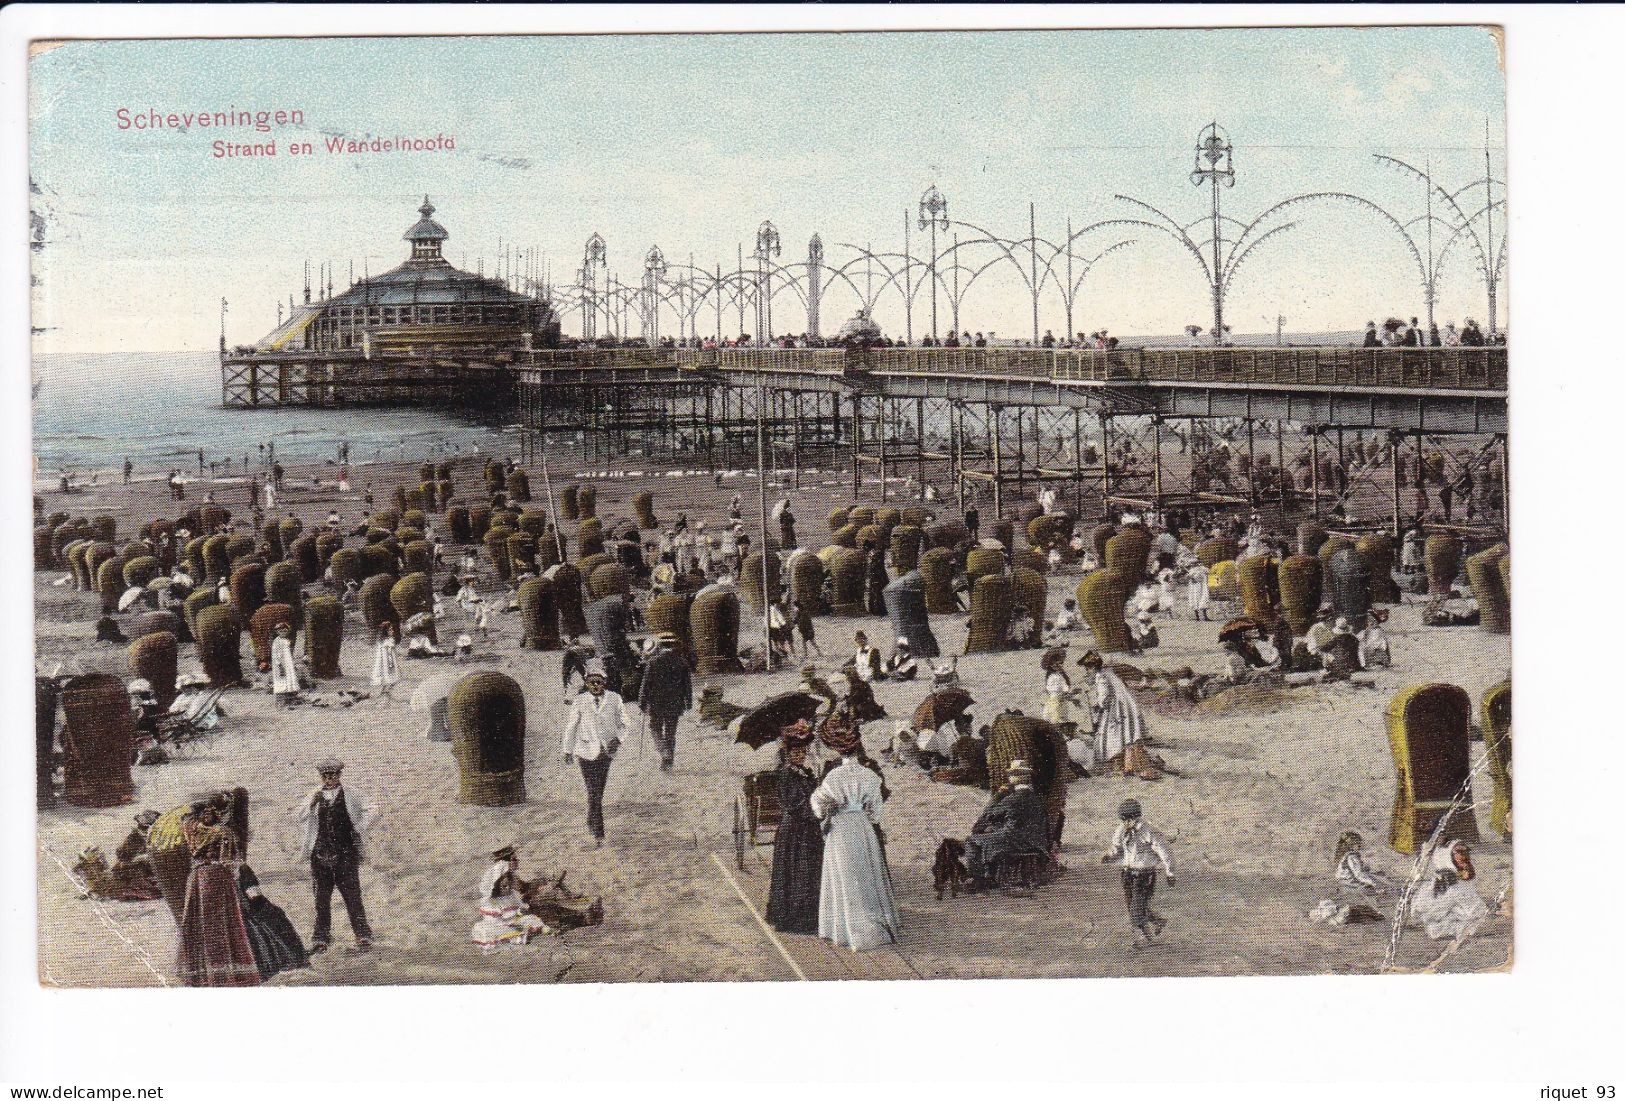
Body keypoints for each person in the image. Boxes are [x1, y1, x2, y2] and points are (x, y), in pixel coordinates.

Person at [810, 718, 901, 952]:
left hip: (841, 826)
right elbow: (876, 812)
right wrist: (863, 813)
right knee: (866, 871)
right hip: (861, 825)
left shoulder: (833, 777)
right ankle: (875, 923)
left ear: (838, 751)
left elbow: (818, 805)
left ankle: (845, 927)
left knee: (844, 872)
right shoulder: (870, 775)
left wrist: (831, 809)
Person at [177, 794, 261, 985]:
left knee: (205, 923)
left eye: (210, 812)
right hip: (216, 879)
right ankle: (221, 972)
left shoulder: (191, 830)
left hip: (199, 879)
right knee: (220, 924)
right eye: (205, 813)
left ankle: (204, 973)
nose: (207, 816)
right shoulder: (222, 832)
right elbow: (228, 861)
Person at [297, 759, 373, 953]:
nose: (329, 779)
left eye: (333, 775)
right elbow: (297, 816)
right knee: (321, 898)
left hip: (345, 853)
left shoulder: (351, 793)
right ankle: (321, 937)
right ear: (321, 777)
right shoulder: (314, 795)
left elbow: (373, 808)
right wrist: (310, 806)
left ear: (339, 775)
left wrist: (359, 826)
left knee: (352, 895)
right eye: (325, 776)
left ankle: (363, 934)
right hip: (320, 854)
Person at [765, 721, 825, 935]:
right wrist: (818, 811)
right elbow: (794, 805)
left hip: (808, 830)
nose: (800, 755)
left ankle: (810, 915)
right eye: (795, 752)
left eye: (802, 751)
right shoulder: (785, 776)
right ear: (787, 753)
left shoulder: (805, 772)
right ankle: (795, 918)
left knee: (809, 872)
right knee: (797, 871)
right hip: (794, 831)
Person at [561, 662, 630, 845]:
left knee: (598, 791)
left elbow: (624, 724)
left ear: (604, 683)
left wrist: (618, 739)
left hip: (605, 753)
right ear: (586, 683)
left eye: (599, 682)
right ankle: (599, 831)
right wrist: (567, 750)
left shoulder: (614, 699)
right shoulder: (580, 700)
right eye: (592, 682)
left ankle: (591, 818)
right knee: (593, 791)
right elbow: (571, 726)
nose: (595, 686)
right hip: (584, 752)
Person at [964, 760, 1052, 884]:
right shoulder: (1038, 799)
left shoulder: (1011, 799)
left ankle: (978, 879)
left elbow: (987, 817)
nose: (1009, 777)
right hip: (1037, 843)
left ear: (1015, 777)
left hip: (1015, 842)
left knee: (971, 840)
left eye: (1011, 774)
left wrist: (998, 795)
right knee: (994, 835)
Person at [1102, 798, 1174, 947]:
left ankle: (1141, 939)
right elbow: (1117, 848)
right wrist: (1109, 855)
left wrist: (1170, 872)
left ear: (1136, 817)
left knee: (1136, 908)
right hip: (1127, 873)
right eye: (1123, 820)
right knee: (1133, 907)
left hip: (1145, 874)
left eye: (1128, 819)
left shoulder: (1149, 831)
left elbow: (1165, 851)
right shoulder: (1121, 830)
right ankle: (1157, 922)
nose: (1125, 823)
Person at [237, 862, 312, 981]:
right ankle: (294, 959)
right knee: (276, 917)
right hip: (249, 912)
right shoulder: (240, 869)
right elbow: (254, 896)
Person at [1080, 650, 1150, 776]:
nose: (1087, 671)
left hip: (1117, 708)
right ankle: (1128, 763)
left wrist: (1098, 705)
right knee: (1127, 734)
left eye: (1088, 669)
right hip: (1126, 705)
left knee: (1113, 734)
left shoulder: (1101, 676)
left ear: (1093, 667)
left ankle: (1119, 763)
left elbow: (1104, 695)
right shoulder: (1109, 672)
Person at [1408, 839, 1489, 941]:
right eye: (1460, 852)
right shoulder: (1446, 882)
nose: (1464, 855)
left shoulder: (1461, 874)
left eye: (1466, 852)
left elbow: (1468, 879)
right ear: (1449, 856)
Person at [471, 845, 546, 953]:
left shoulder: (511, 875)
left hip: (508, 911)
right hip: (498, 914)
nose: (517, 861)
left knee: (532, 920)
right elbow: (499, 893)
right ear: (505, 862)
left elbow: (523, 888)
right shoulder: (499, 876)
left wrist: (537, 883)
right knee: (512, 928)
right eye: (514, 859)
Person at [637, 632, 692, 774]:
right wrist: (688, 701)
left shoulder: (653, 662)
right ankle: (668, 763)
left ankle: (664, 752)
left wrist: (641, 702)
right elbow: (687, 685)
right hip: (675, 703)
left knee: (655, 728)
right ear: (674, 645)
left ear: (660, 645)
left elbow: (645, 684)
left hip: (656, 704)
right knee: (670, 733)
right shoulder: (682, 662)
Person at [1040, 647, 1077, 727]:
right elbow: (1058, 693)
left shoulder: (1059, 675)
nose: (1059, 666)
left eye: (1061, 663)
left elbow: (1064, 689)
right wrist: (1071, 694)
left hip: (1060, 703)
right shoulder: (1053, 677)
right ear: (1050, 665)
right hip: (1055, 704)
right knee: (1057, 722)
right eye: (1056, 664)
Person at [270, 622, 300, 708]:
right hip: (281, 664)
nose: (283, 633)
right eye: (281, 631)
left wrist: (292, 664)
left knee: (290, 679)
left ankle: (290, 698)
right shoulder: (277, 642)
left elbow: (288, 654)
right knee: (282, 681)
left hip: (288, 663)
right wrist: (279, 665)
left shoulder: (286, 640)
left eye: (285, 631)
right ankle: (281, 700)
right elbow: (277, 655)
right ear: (277, 632)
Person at [370, 622, 399, 700]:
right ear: (386, 631)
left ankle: (385, 693)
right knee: (391, 679)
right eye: (390, 630)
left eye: (392, 629)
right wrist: (391, 666)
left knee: (388, 680)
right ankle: (386, 693)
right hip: (387, 664)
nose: (392, 631)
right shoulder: (387, 642)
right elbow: (388, 655)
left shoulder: (383, 641)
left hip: (385, 664)